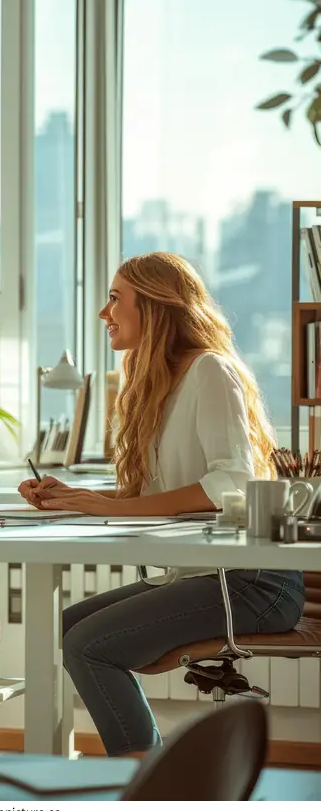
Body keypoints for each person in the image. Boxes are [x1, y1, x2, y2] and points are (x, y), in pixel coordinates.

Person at [19, 251, 305, 757]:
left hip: (252, 582)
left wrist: (107, 506)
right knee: (63, 627)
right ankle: (142, 767)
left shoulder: (210, 370)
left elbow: (232, 480)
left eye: (114, 298)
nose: (104, 313)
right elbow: (159, 496)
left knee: (88, 646)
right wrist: (76, 498)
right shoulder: (156, 382)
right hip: (206, 574)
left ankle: (148, 781)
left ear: (153, 306)